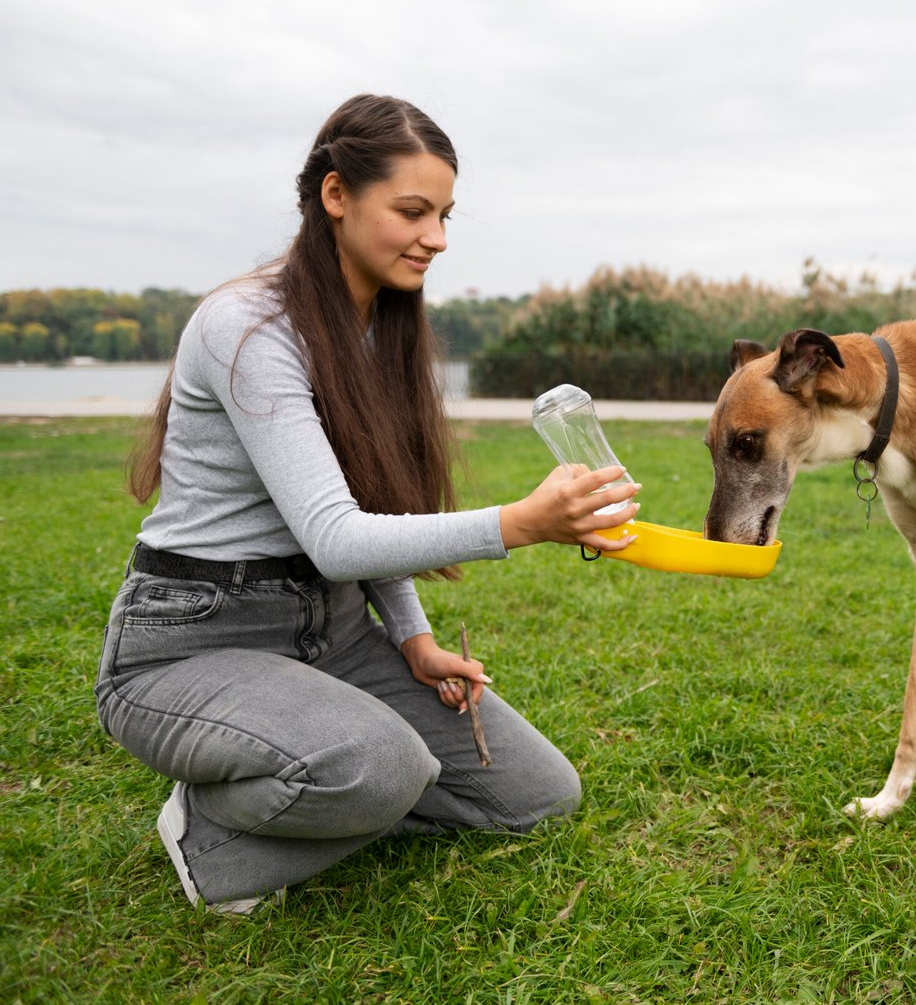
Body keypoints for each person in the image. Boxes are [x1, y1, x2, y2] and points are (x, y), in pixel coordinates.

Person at [95, 94, 641, 914]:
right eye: (413, 212)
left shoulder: (380, 327)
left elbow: (369, 504)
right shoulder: (247, 328)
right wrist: (523, 524)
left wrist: (413, 639)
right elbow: (337, 537)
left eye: (444, 216)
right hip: (193, 640)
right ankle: (210, 832)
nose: (437, 238)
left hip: (336, 630)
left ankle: (312, 763)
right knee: (384, 766)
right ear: (337, 195)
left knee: (536, 795)